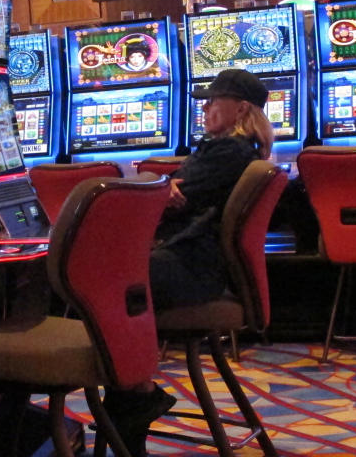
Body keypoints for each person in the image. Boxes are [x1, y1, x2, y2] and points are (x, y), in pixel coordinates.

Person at [103, 68, 274, 456]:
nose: (206, 106)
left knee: (103, 286)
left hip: (193, 267)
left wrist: (160, 187)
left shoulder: (228, 151)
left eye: (214, 100)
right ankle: (132, 397)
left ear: (241, 107)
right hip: (197, 264)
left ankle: (135, 394)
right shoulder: (234, 150)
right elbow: (169, 190)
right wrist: (164, 186)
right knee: (108, 287)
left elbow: (163, 197)